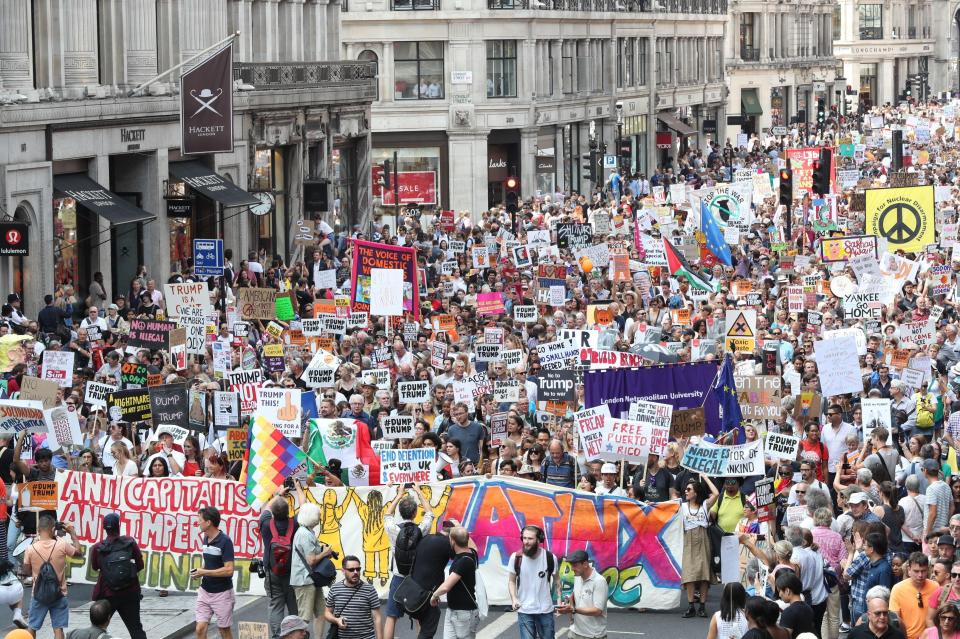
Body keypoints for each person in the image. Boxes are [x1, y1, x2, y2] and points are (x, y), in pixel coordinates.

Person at [383, 485, 433, 639]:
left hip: (398, 577)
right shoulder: (421, 529)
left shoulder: (393, 529)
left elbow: (387, 514)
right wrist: (419, 492)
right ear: (415, 513)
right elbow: (430, 513)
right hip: (416, 579)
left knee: (391, 616)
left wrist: (398, 495)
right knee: (419, 616)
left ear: (400, 512)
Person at [22, 515, 81, 639]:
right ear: (53, 529)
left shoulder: (31, 549)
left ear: (38, 530)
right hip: (59, 594)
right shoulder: (61, 545)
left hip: (38, 595)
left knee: (32, 627)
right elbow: (78, 553)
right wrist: (73, 534)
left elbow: (26, 572)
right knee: (58, 629)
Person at [90, 512, 146, 639]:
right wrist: (127, 573)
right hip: (130, 593)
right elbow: (140, 564)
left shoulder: (98, 548)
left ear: (104, 528)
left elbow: (95, 567)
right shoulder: (130, 542)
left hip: (107, 595)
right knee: (136, 629)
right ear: (118, 526)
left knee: (97, 629)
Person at [508, 525, 559, 639]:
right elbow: (511, 581)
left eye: (530, 539)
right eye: (524, 538)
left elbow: (557, 580)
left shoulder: (550, 558)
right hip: (524, 609)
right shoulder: (516, 558)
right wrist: (514, 599)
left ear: (539, 540)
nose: (526, 542)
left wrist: (560, 601)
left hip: (545, 610)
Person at [259, 495, 299, 639]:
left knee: (276, 605)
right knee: (293, 604)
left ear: (273, 513)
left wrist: (278, 494)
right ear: (288, 511)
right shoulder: (295, 524)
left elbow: (265, 508)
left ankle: (277, 636)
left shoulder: (265, 524)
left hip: (272, 571)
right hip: (291, 572)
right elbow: (305, 505)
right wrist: (298, 489)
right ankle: (295, 634)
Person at [429, 526, 479, 639]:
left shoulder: (464, 561)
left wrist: (434, 596)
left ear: (452, 541)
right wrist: (459, 527)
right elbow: (473, 545)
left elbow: (446, 587)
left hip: (464, 613)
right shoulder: (472, 553)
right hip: (453, 610)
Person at [193, 506, 236, 639]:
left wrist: (204, 572)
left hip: (222, 594)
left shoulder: (225, 541)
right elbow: (209, 562)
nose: (198, 522)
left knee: (224, 630)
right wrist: (199, 572)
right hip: (205, 591)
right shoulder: (206, 538)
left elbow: (229, 570)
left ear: (208, 522)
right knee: (200, 629)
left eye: (200, 520)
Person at [291, 502, 332, 639]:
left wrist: (322, 551)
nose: (320, 516)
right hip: (305, 580)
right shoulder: (305, 534)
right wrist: (325, 553)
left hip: (310, 579)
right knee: (304, 618)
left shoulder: (306, 531)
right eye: (318, 514)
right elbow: (311, 560)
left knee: (320, 613)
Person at [681, 476, 718, 618]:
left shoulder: (704, 505)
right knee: (689, 575)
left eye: (689, 489)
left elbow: (716, 494)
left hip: (703, 540)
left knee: (704, 576)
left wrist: (706, 478)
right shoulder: (682, 506)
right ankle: (691, 606)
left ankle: (702, 606)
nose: (686, 491)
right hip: (688, 540)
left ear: (696, 493)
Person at [554, 549, 608, 639]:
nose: (572, 568)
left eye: (575, 565)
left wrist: (573, 610)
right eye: (571, 565)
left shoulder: (599, 581)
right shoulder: (578, 577)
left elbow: (598, 610)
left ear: (585, 564)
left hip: (593, 635)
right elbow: (575, 594)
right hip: (574, 632)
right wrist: (567, 603)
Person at [324, 555, 382, 639]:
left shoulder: (369, 589)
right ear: (343, 571)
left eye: (358, 569)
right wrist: (336, 620)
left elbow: (377, 618)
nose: (355, 572)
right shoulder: (335, 588)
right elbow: (327, 613)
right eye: (351, 570)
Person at [890, 553, 938, 639]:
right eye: (916, 571)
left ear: (928, 570)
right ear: (909, 570)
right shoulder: (898, 589)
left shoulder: (935, 587)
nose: (920, 575)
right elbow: (894, 620)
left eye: (923, 571)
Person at [776, 571, 816, 638]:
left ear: (787, 591)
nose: (779, 595)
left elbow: (784, 636)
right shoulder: (808, 608)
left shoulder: (788, 613)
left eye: (779, 591)